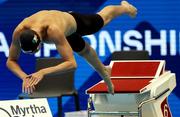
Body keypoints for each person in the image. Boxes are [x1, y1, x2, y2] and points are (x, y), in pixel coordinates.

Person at [6, 1, 137, 95]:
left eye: (35, 50)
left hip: (75, 22)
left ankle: (125, 8)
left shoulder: (53, 30)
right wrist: (24, 77)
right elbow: (11, 61)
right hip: (64, 32)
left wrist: (43, 72)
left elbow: (72, 64)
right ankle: (104, 72)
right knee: (84, 51)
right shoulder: (19, 31)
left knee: (103, 18)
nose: (34, 53)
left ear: (40, 40)